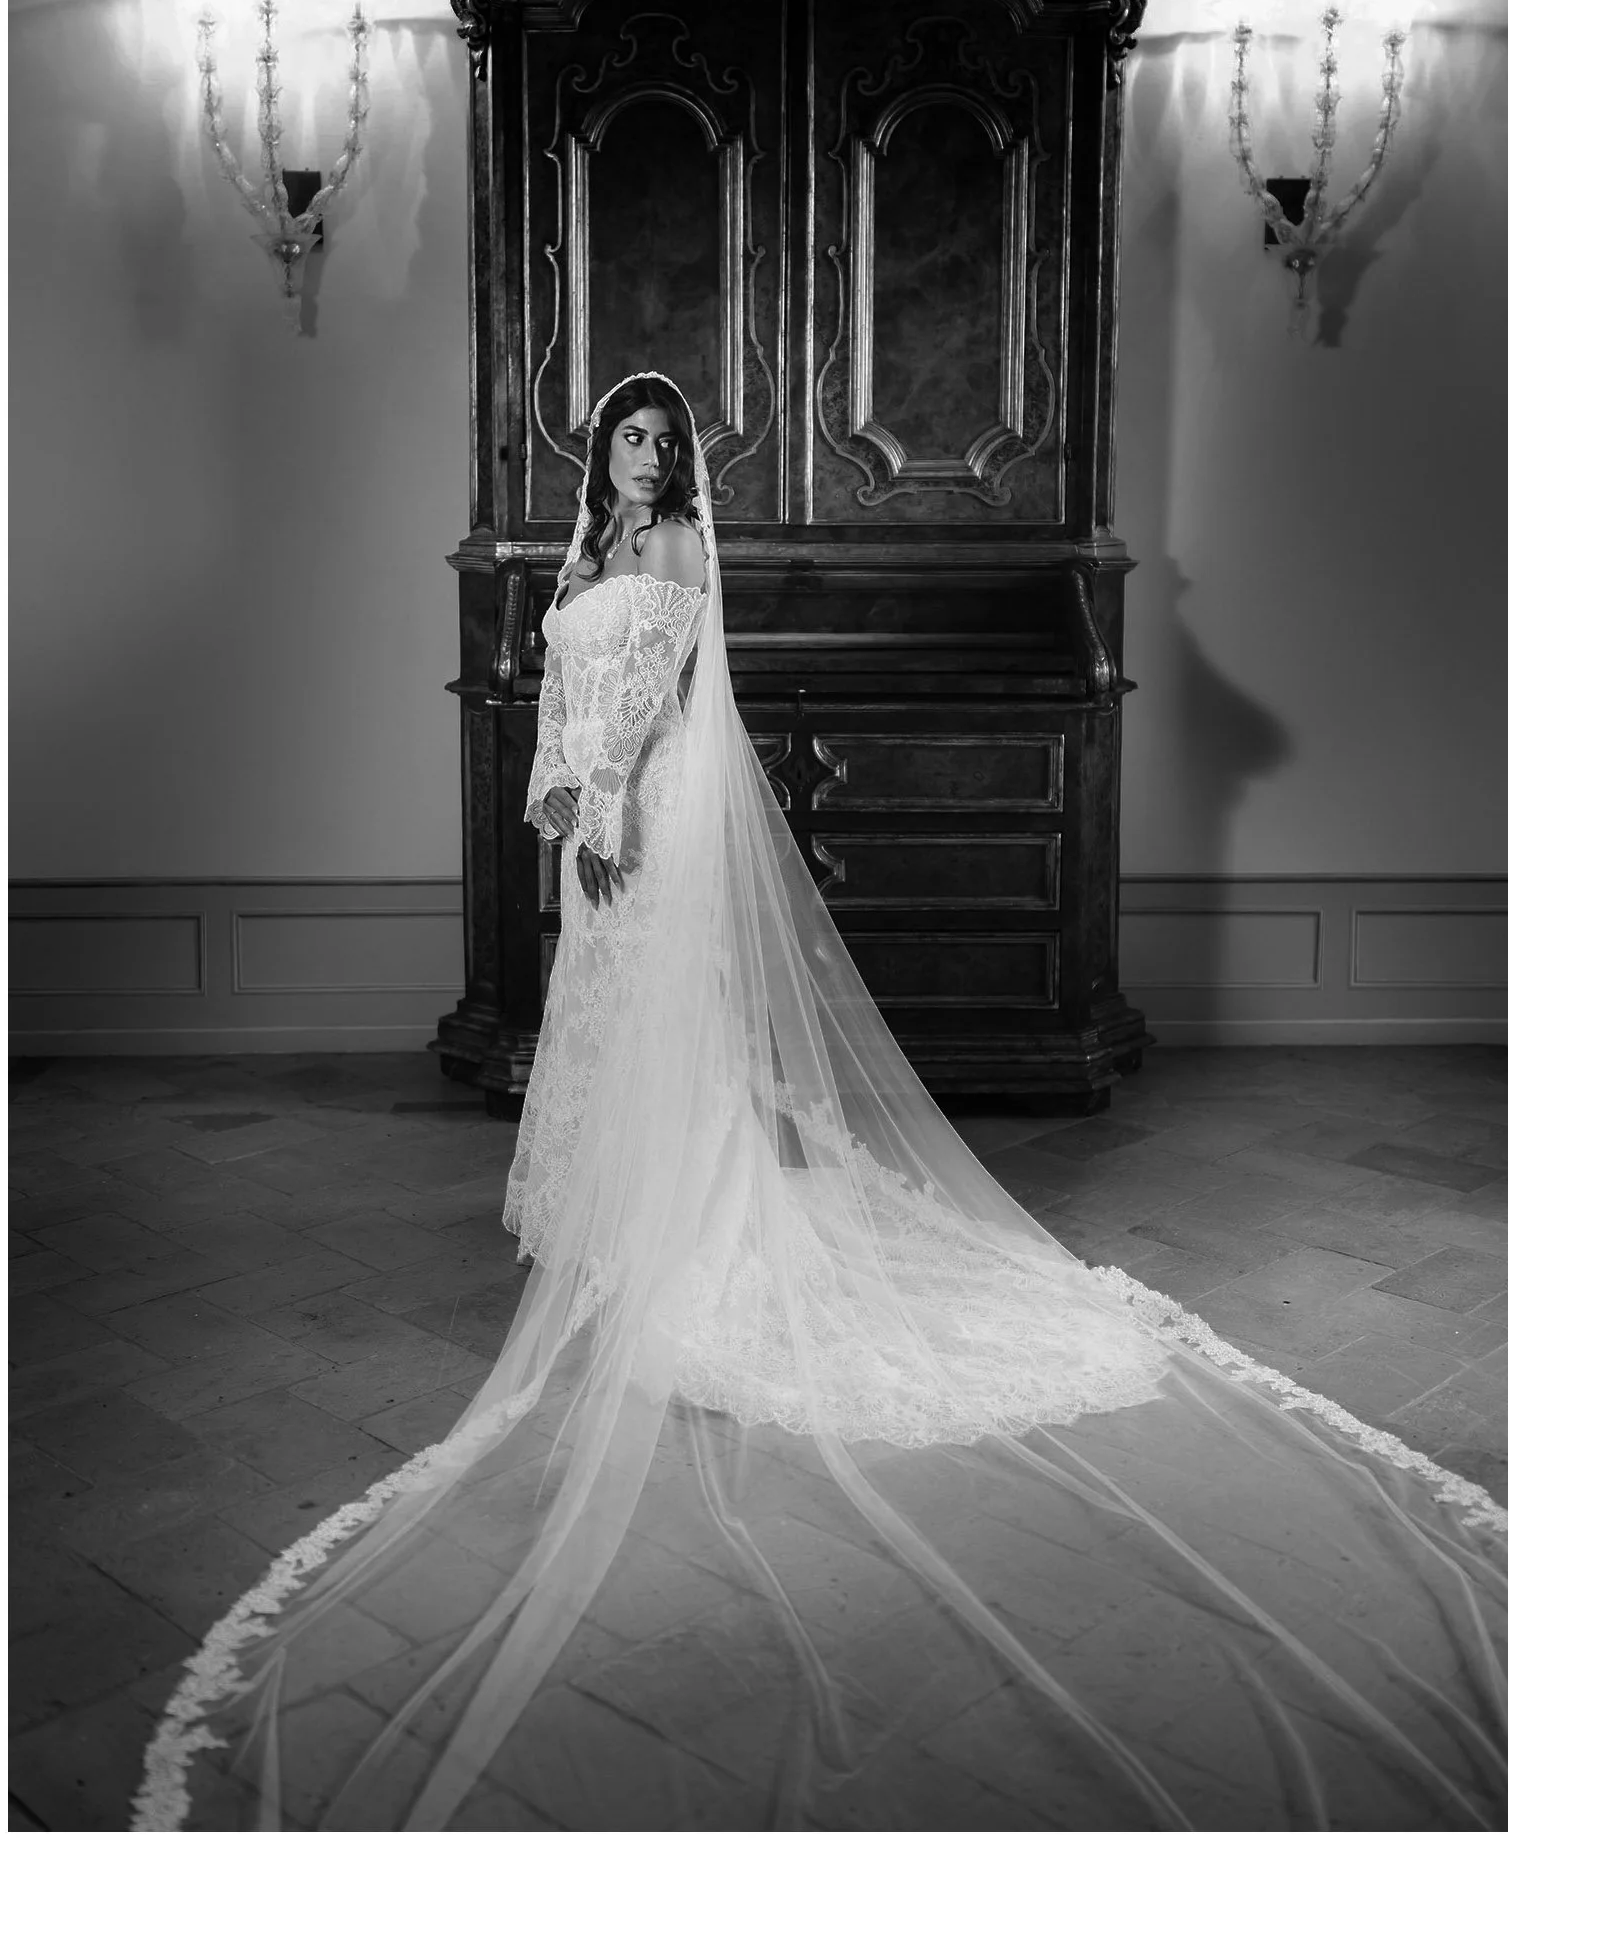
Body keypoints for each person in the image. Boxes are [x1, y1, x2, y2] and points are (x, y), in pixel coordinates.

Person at [135, 371, 1506, 1833]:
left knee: (661, 1023)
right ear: (598, 450)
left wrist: (600, 812)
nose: (651, 457)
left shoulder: (666, 558)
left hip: (643, 820)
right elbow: (561, 692)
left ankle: (688, 1228)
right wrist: (555, 799)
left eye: (668, 441)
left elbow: (654, 707)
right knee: (603, 1019)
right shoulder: (581, 553)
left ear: (683, 465)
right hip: (586, 819)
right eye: (632, 436)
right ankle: (626, 1214)